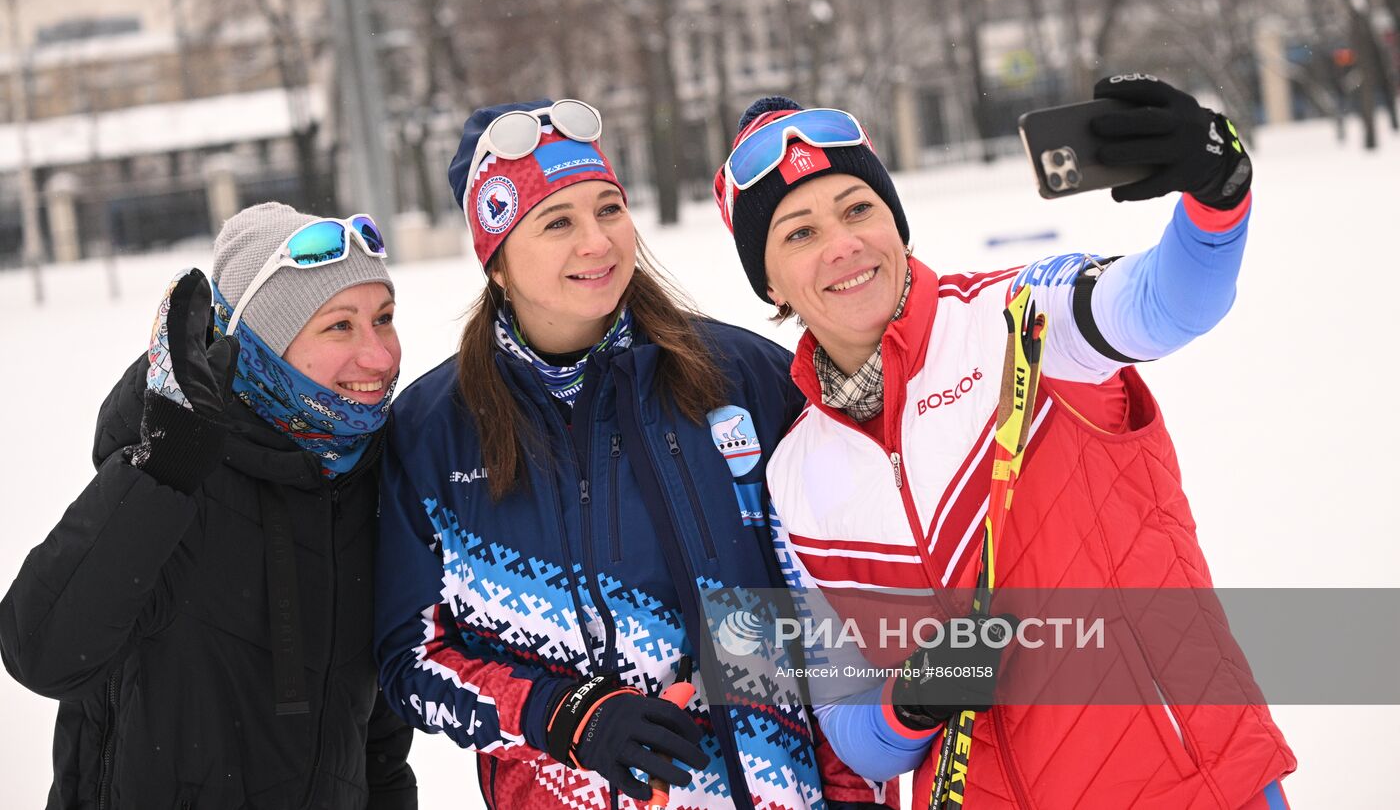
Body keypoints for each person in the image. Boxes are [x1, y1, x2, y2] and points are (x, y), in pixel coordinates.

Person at [711, 77, 1297, 809]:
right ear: (770, 283)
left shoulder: (1020, 314)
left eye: (859, 208)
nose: (844, 244)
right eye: (799, 232)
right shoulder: (796, 475)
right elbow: (849, 721)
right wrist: (912, 702)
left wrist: (1217, 190)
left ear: (896, 223)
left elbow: (1170, 302)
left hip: (1185, 787)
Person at [374, 99, 887, 809]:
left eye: (609, 209)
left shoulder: (741, 377)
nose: (598, 242)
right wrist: (564, 713)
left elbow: (835, 603)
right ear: (496, 261)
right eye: (559, 222)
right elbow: (411, 660)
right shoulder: (433, 432)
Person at [0, 202, 417, 809]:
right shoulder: (175, 471)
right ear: (265, 344)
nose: (379, 356)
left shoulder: (368, 477)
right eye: (339, 326)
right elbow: (41, 651)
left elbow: (374, 736)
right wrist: (163, 468)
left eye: (383, 318)